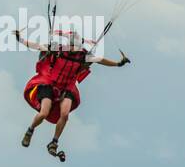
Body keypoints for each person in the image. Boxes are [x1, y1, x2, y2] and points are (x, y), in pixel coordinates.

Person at [14, 26, 129, 159]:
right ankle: (30, 131)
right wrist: (20, 39)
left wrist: (118, 64)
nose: (74, 48)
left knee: (65, 115)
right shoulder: (58, 50)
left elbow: (101, 60)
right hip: (49, 83)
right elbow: (37, 46)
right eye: (72, 45)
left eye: (76, 46)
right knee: (44, 113)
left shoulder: (84, 56)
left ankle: (54, 142)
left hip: (67, 87)